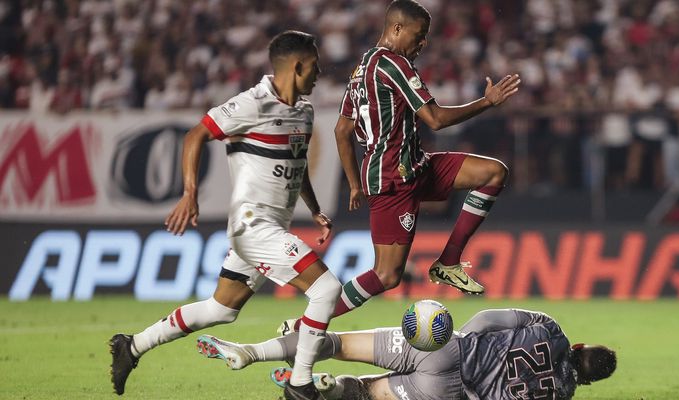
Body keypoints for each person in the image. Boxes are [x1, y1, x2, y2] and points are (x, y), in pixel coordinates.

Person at [108, 31, 342, 400]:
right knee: (326, 289)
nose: (319, 72)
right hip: (253, 226)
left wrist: (314, 209)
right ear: (297, 66)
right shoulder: (252, 104)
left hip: (270, 228)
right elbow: (194, 136)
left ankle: (132, 346)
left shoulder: (304, 111)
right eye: (314, 65)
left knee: (221, 309)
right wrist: (189, 194)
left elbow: (297, 167)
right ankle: (300, 385)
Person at [306, 0, 521, 330]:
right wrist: (486, 102)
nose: (422, 44)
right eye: (419, 36)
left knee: (493, 172)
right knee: (386, 275)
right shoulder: (394, 64)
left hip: (415, 166)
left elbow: (342, 129)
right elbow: (434, 119)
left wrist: (353, 181)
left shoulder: (363, 66)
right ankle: (306, 322)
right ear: (396, 29)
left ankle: (448, 262)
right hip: (394, 177)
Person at [197, 308, 617, 399]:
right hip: (447, 394)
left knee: (341, 343)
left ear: (579, 347)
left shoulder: (552, 330)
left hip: (443, 347)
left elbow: (490, 318)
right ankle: (324, 391)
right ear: (588, 380)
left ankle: (250, 353)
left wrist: (460, 345)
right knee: (364, 395)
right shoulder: (559, 396)